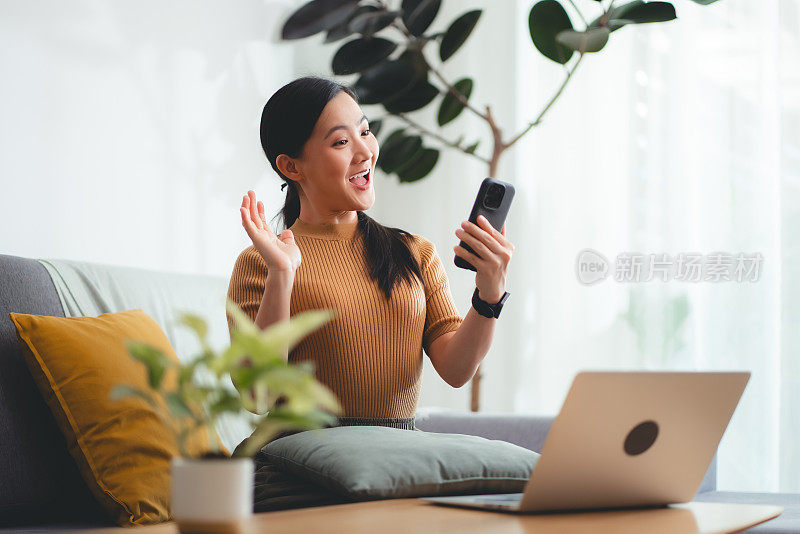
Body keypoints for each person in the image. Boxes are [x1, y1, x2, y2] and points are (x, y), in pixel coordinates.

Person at [227, 76, 515, 511]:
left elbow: (456, 369)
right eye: (341, 142)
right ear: (291, 167)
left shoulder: (413, 253)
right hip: (295, 470)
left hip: (394, 464)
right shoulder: (260, 263)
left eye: (364, 131)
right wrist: (282, 275)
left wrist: (488, 293)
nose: (366, 152)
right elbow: (258, 396)